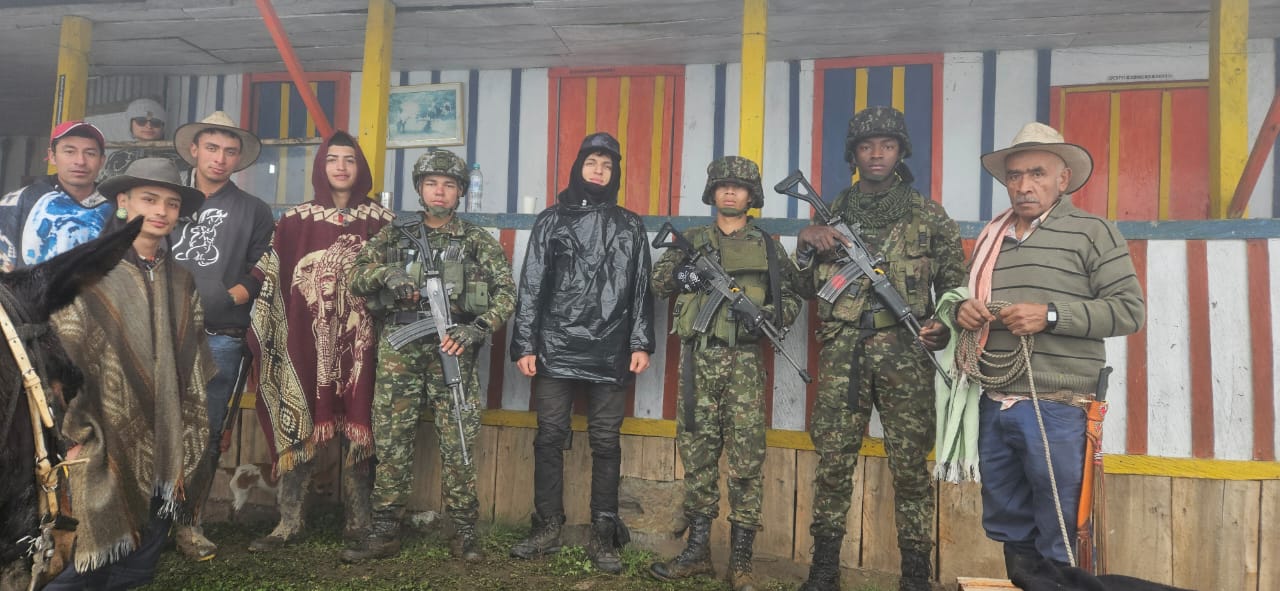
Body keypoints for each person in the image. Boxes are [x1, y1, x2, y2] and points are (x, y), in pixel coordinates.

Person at [955, 122, 1145, 579]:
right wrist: (963, 311)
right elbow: (963, 299)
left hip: (1059, 405)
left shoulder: (1093, 233)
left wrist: (1052, 315)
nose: (1024, 185)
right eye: (1015, 175)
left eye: (1037, 173)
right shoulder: (991, 239)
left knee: (1062, 523)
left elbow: (1129, 311)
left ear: (1063, 179)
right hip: (994, 399)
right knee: (1009, 519)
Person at [795, 106, 964, 591]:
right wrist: (805, 243)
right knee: (833, 462)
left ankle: (915, 577)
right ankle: (823, 573)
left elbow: (956, 285)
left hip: (906, 353)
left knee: (910, 467)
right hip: (843, 352)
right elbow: (804, 288)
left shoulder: (928, 214)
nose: (876, 154)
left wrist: (943, 325)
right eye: (866, 146)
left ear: (900, 151)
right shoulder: (832, 211)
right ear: (853, 154)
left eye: (887, 146)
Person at [46, 158, 212, 590]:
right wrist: (72, 433)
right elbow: (62, 359)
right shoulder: (88, 275)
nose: (161, 211)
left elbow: (194, 360)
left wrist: (186, 424)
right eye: (149, 200)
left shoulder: (182, 280)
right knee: (85, 559)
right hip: (102, 431)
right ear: (123, 202)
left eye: (171, 204)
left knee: (140, 561)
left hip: (167, 432)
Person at [342, 150, 516, 564]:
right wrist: (388, 274)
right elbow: (356, 276)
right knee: (392, 440)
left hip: (452, 348)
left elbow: (507, 294)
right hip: (400, 348)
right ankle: (385, 530)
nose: (440, 191)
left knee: (458, 440)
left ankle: (464, 531)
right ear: (420, 189)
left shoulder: (475, 240)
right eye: (432, 183)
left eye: (449, 185)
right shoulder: (394, 234)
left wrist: (477, 329)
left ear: (460, 193)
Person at [648, 156, 800, 591]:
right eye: (723, 185)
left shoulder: (768, 247)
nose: (730, 191)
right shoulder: (693, 239)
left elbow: (791, 297)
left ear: (752, 196)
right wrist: (689, 275)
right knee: (698, 456)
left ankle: (741, 562)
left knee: (746, 461)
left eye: (739, 186)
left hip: (745, 365)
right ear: (712, 192)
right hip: (698, 360)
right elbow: (659, 283)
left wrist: (766, 314)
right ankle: (697, 553)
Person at [508, 132, 655, 574]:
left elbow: (642, 287)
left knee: (606, 441)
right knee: (550, 436)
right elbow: (532, 284)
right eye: (592, 163)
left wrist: (641, 341)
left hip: (612, 348)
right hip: (555, 346)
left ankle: (603, 533)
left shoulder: (630, 225)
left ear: (615, 173)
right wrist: (525, 343)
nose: (599, 171)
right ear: (578, 167)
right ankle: (547, 526)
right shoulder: (551, 220)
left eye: (607, 166)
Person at [246, 131, 395, 553]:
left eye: (349, 159)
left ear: (360, 167)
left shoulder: (382, 221)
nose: (341, 167)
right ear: (321, 166)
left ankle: (359, 520)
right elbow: (270, 276)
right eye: (333, 159)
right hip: (307, 339)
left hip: (363, 339)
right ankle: (289, 520)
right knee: (302, 415)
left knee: (362, 418)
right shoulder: (295, 221)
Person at [169, 110, 274, 560]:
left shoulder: (253, 210)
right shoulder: (167, 197)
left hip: (221, 334)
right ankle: (144, 524)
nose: (220, 158)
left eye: (230, 151)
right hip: (159, 331)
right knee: (149, 426)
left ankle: (188, 524)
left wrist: (234, 294)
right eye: (212, 148)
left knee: (207, 431)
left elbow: (266, 265)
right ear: (194, 150)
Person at [0, 120, 110, 271]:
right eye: (69, 152)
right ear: (52, 156)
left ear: (102, 161)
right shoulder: (18, 202)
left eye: (90, 153)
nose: (80, 161)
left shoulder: (116, 204)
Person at [99, 98, 190, 183]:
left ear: (163, 127)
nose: (148, 126)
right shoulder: (118, 157)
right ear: (130, 124)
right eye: (141, 121)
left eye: (155, 122)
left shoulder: (179, 156)